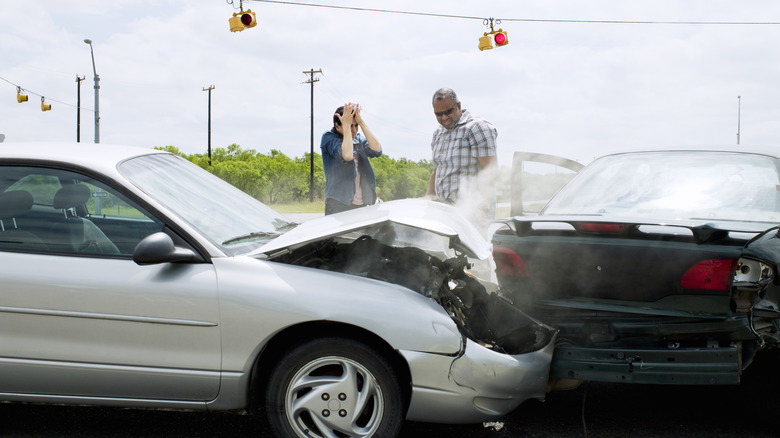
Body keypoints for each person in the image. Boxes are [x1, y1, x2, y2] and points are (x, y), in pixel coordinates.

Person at [426, 88, 498, 226]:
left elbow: (491, 172)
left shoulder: (477, 128)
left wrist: (479, 209)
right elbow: (437, 170)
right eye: (439, 114)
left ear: (458, 106)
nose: (444, 117)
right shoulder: (438, 134)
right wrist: (428, 200)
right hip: (444, 213)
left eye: (448, 112)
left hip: (472, 213)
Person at [320, 102, 383, 215]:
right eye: (350, 126)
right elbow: (347, 155)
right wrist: (346, 124)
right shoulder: (329, 138)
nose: (354, 130)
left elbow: (377, 150)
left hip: (363, 204)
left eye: (356, 125)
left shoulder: (358, 138)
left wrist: (361, 123)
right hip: (338, 204)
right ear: (337, 125)